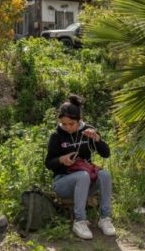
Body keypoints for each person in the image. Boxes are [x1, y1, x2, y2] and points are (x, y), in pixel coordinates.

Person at [44, 94, 115, 240]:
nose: (68, 127)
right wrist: (61, 160)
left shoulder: (88, 131)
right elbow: (48, 163)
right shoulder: (56, 136)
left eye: (71, 124)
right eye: (64, 124)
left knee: (105, 175)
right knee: (83, 175)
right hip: (63, 183)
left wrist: (97, 139)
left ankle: (105, 219)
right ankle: (80, 221)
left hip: (86, 182)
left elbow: (106, 154)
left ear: (79, 120)